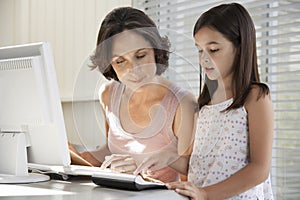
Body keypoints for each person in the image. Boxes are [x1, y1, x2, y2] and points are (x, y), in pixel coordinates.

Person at [69, 6, 196, 183]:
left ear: (155, 50)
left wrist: (140, 173)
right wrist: (75, 156)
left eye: (141, 55)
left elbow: (190, 179)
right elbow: (112, 150)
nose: (133, 70)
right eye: (120, 61)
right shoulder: (108, 94)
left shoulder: (183, 104)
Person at [165, 3, 274, 199]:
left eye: (213, 49)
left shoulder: (256, 97)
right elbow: (198, 164)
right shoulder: (205, 104)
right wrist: (164, 158)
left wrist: (206, 193)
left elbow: (260, 169)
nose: (204, 58)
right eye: (199, 50)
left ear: (240, 48)